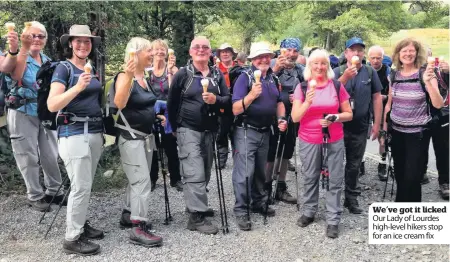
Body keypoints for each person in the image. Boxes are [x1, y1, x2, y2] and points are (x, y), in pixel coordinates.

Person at [48, 24, 104, 255]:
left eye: (87, 41)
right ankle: (72, 238)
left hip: (93, 132)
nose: (83, 45)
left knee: (85, 184)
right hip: (73, 133)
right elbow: (53, 104)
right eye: (78, 41)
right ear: (70, 43)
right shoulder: (63, 69)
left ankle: (80, 224)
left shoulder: (91, 68)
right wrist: (78, 87)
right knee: (80, 186)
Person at [167, 36, 230, 235]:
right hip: (188, 128)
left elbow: (227, 100)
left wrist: (215, 99)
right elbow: (172, 103)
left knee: (205, 171)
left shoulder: (217, 75)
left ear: (210, 52)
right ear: (190, 51)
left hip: (209, 130)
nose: (201, 50)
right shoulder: (183, 75)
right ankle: (196, 217)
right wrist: (175, 127)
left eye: (205, 47)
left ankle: (196, 205)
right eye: (197, 47)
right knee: (194, 171)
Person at [292, 48, 352, 238]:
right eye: (316, 63)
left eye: (323, 63)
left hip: (334, 138)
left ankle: (333, 219)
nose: (319, 66)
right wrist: (308, 103)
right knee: (310, 176)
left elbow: (349, 114)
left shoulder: (336, 86)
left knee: (334, 179)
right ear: (310, 65)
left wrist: (335, 117)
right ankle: (309, 211)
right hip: (309, 138)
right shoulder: (302, 87)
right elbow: (295, 117)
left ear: (328, 66)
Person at [6, 21, 64, 212]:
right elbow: (16, 76)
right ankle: (35, 195)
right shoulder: (15, 56)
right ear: (24, 37)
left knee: (50, 153)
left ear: (45, 40)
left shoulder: (47, 60)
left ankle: (55, 191)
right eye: (32, 35)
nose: (36, 39)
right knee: (27, 155)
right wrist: (22, 48)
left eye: (40, 36)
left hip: (44, 112)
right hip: (22, 111)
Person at [231, 42, 287, 231]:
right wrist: (251, 96)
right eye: (259, 57)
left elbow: (279, 102)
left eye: (266, 56)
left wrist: (281, 118)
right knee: (245, 172)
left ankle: (258, 202)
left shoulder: (272, 78)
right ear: (253, 60)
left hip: (266, 130)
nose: (264, 60)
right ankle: (241, 210)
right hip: (246, 130)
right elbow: (236, 108)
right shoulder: (243, 78)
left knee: (261, 171)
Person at [114, 37, 164, 247]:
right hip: (131, 137)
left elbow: (142, 105)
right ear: (135, 54)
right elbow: (119, 102)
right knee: (142, 181)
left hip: (145, 137)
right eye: (148, 51)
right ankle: (138, 227)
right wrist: (127, 73)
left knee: (135, 180)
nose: (152, 55)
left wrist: (155, 117)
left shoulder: (145, 78)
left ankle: (128, 214)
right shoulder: (125, 77)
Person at [383, 38, 443, 202]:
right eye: (404, 51)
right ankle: (401, 214)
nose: (408, 54)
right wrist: (383, 130)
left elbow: (438, 103)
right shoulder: (393, 75)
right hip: (397, 133)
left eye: (411, 51)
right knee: (400, 175)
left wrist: (428, 83)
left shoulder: (426, 74)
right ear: (398, 54)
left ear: (417, 53)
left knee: (412, 178)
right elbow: (389, 104)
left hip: (418, 135)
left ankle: (412, 215)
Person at [334, 37, 382, 214]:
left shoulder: (370, 72)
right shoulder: (337, 70)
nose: (356, 53)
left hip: (360, 126)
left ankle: (351, 198)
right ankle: (335, 198)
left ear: (363, 54)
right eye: (352, 50)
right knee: (336, 163)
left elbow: (377, 97)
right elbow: (330, 93)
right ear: (346, 53)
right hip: (338, 126)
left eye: (360, 50)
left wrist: (376, 124)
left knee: (354, 164)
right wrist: (345, 77)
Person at [267, 37, 304, 205]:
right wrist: (276, 69)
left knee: (287, 151)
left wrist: (298, 97)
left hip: (292, 116)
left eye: (295, 51)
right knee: (270, 152)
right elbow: (262, 82)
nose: (291, 53)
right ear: (281, 50)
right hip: (271, 116)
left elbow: (309, 89)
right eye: (288, 50)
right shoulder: (270, 64)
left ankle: (280, 186)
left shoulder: (301, 70)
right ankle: (266, 186)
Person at [148, 39, 182, 192]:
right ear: (151, 52)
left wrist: (171, 70)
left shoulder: (173, 70)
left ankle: (176, 178)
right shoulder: (148, 72)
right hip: (151, 110)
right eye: (157, 49)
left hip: (168, 111)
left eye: (163, 49)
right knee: (152, 146)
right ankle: (152, 178)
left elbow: (175, 91)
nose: (160, 52)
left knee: (170, 145)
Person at [420, 50, 449, 199]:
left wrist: (449, 72)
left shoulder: (442, 70)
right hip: (421, 116)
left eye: (427, 54)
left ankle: (444, 182)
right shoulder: (413, 70)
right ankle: (422, 172)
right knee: (421, 147)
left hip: (442, 115)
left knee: (443, 150)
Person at [367, 45, 391, 181]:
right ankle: (361, 164)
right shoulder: (364, 70)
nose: (375, 61)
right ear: (368, 57)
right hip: (366, 108)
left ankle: (382, 165)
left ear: (383, 58)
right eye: (373, 58)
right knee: (363, 138)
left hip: (382, 108)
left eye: (379, 58)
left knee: (383, 139)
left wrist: (385, 97)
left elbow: (393, 92)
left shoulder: (388, 72)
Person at [216, 43, 237, 169]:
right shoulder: (215, 70)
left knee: (236, 134)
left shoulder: (240, 68)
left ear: (232, 54)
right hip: (222, 106)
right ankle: (221, 158)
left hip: (237, 106)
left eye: (227, 51)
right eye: (222, 52)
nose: (225, 53)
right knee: (221, 133)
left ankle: (238, 158)